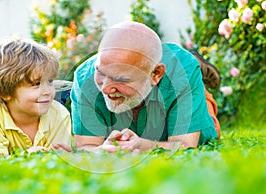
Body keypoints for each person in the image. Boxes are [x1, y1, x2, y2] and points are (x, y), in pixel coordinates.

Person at [70, 21, 221, 153]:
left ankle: (200, 78)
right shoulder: (84, 77)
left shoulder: (181, 73)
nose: (105, 89)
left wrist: (144, 146)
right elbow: (85, 146)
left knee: (206, 114)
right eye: (100, 72)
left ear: (156, 74)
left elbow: (185, 145)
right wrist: (101, 150)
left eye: (120, 79)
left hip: (176, 78)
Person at [0, 37, 72, 156]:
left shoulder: (59, 114)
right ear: (5, 92)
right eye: (36, 84)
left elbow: (59, 159)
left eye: (50, 81)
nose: (48, 91)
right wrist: (25, 156)